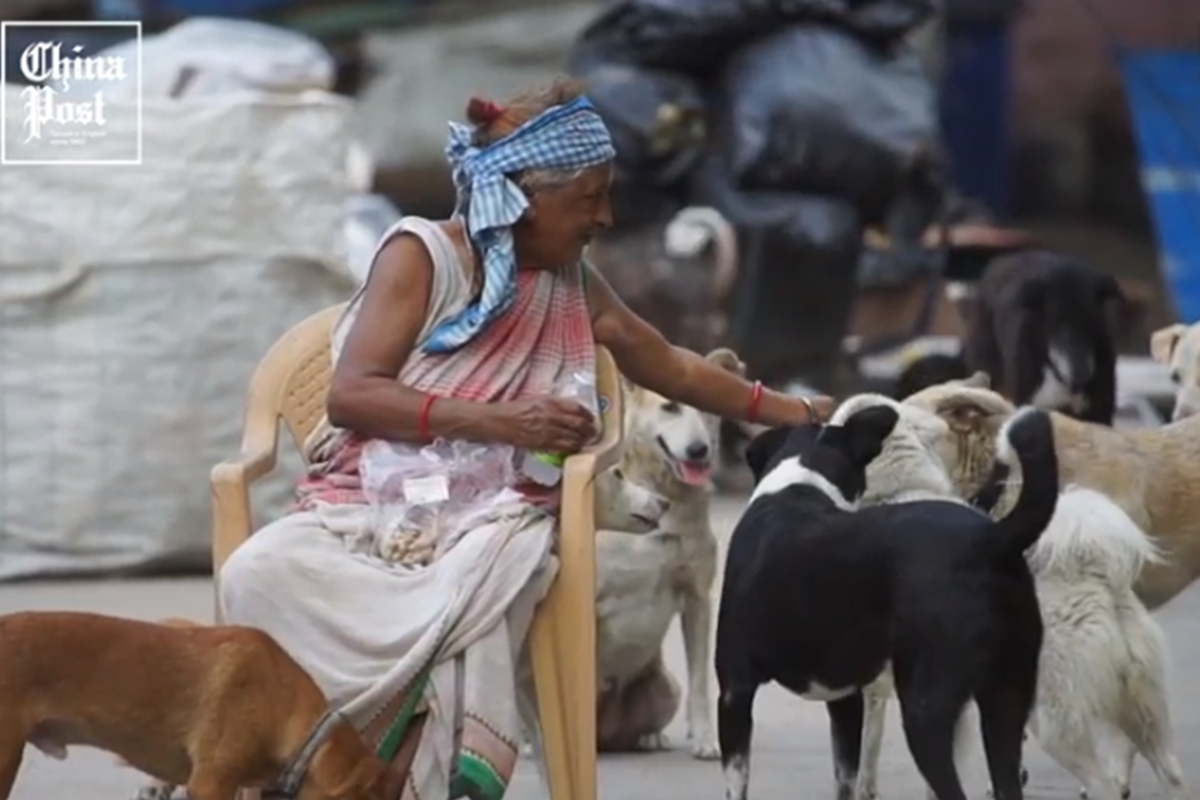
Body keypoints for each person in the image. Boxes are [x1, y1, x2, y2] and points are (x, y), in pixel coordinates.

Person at [218, 77, 833, 800]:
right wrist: (503, 421)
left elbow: (666, 363)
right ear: (519, 195)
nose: (604, 217)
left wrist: (787, 409)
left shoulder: (569, 280)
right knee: (256, 571)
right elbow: (353, 395)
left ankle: (404, 781)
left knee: (486, 574)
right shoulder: (420, 257)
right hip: (367, 498)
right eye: (589, 198)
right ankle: (311, 765)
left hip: (499, 507)